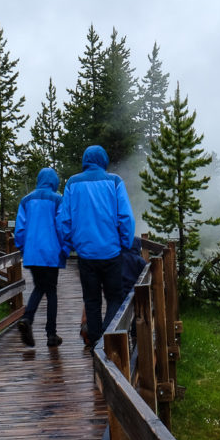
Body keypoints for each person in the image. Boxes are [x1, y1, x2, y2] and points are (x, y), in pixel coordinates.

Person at [57, 145, 136, 351]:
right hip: (112, 253)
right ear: (104, 160)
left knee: (91, 301)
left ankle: (95, 342)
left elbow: (64, 219)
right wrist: (125, 243)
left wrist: (70, 243)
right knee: (114, 298)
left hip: (86, 255)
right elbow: (126, 217)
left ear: (85, 161)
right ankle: (107, 342)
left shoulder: (73, 183)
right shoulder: (114, 181)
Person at [14, 167, 66, 348]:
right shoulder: (58, 199)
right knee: (51, 291)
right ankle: (51, 334)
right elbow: (61, 227)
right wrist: (65, 248)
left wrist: (23, 248)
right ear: (54, 182)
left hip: (33, 254)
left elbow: (20, 229)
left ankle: (28, 318)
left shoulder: (26, 200)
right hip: (51, 253)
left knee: (39, 287)